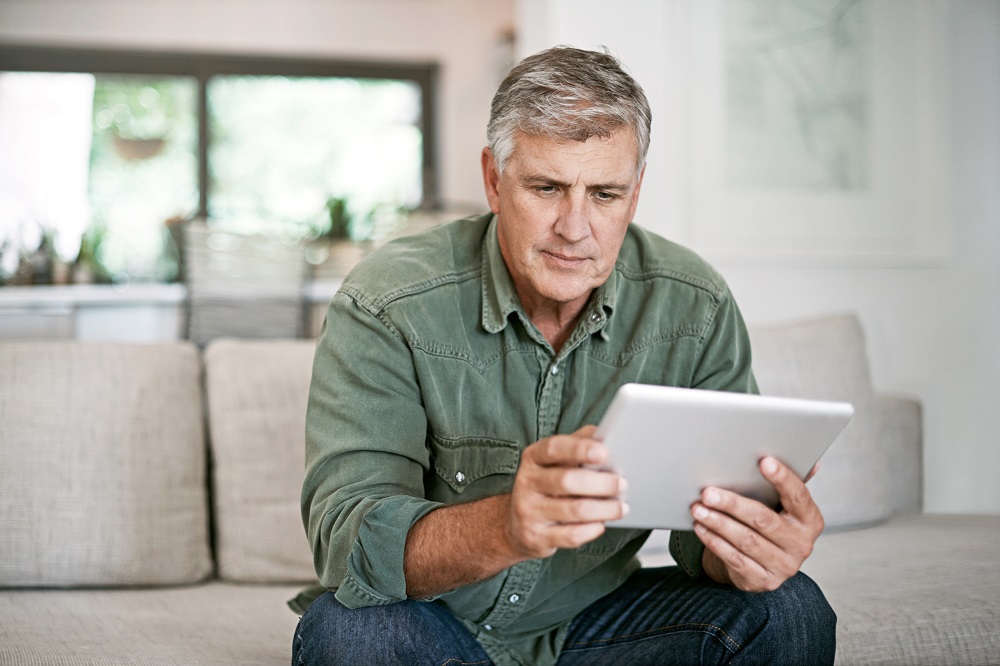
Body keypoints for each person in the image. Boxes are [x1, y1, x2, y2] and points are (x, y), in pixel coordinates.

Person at [291, 45, 836, 666]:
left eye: (605, 194)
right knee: (352, 632)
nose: (575, 228)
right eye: (547, 187)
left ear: (635, 195)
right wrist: (506, 528)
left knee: (787, 606)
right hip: (433, 625)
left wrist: (751, 546)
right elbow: (346, 541)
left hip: (597, 627)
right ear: (495, 181)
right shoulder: (387, 302)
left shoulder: (695, 306)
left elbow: (704, 541)